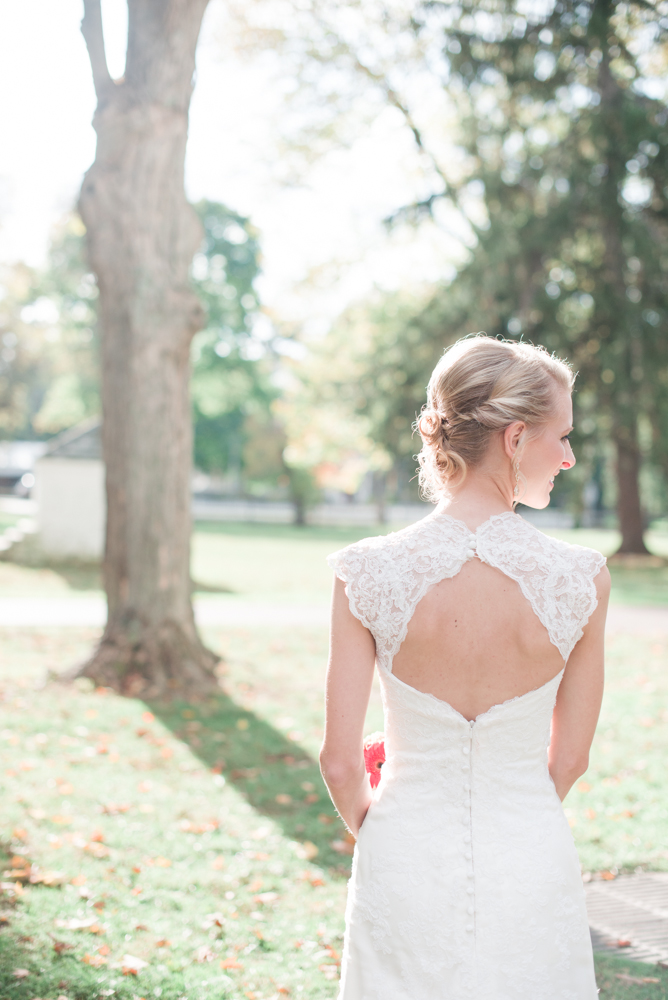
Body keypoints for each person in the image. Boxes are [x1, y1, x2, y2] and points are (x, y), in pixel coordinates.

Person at [320, 335, 610, 1000]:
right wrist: (518, 813)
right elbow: (569, 762)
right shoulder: (581, 580)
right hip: (531, 854)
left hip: (403, 855)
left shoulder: (365, 573)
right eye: (560, 436)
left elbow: (338, 763)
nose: (568, 457)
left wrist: (384, 826)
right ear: (513, 440)